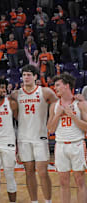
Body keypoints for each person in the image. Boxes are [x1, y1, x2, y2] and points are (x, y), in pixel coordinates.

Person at [11, 65, 57, 203]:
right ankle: (34, 201)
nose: (26, 77)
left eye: (29, 74)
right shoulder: (16, 94)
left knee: (43, 172)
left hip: (40, 137)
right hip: (23, 137)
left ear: (36, 77)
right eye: (24, 74)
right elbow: (13, 112)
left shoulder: (45, 92)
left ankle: (48, 201)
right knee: (29, 172)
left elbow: (56, 102)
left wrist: (51, 120)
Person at [47, 73, 87, 203]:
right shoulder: (54, 106)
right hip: (60, 145)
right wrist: (58, 114)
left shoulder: (80, 104)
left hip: (77, 144)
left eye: (58, 85)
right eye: (54, 86)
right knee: (63, 182)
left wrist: (73, 116)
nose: (55, 88)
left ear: (67, 86)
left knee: (79, 181)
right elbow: (50, 129)